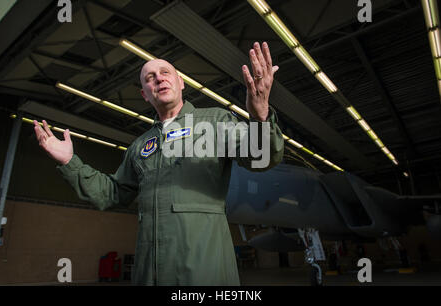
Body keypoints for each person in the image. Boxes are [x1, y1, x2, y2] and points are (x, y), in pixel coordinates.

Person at [34, 42, 284, 285]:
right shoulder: (140, 146)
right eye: (150, 78)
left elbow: (261, 159)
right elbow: (111, 194)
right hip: (149, 274)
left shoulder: (215, 122)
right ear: (145, 94)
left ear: (181, 82)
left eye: (166, 73)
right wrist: (69, 161)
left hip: (203, 272)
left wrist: (260, 117)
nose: (159, 79)